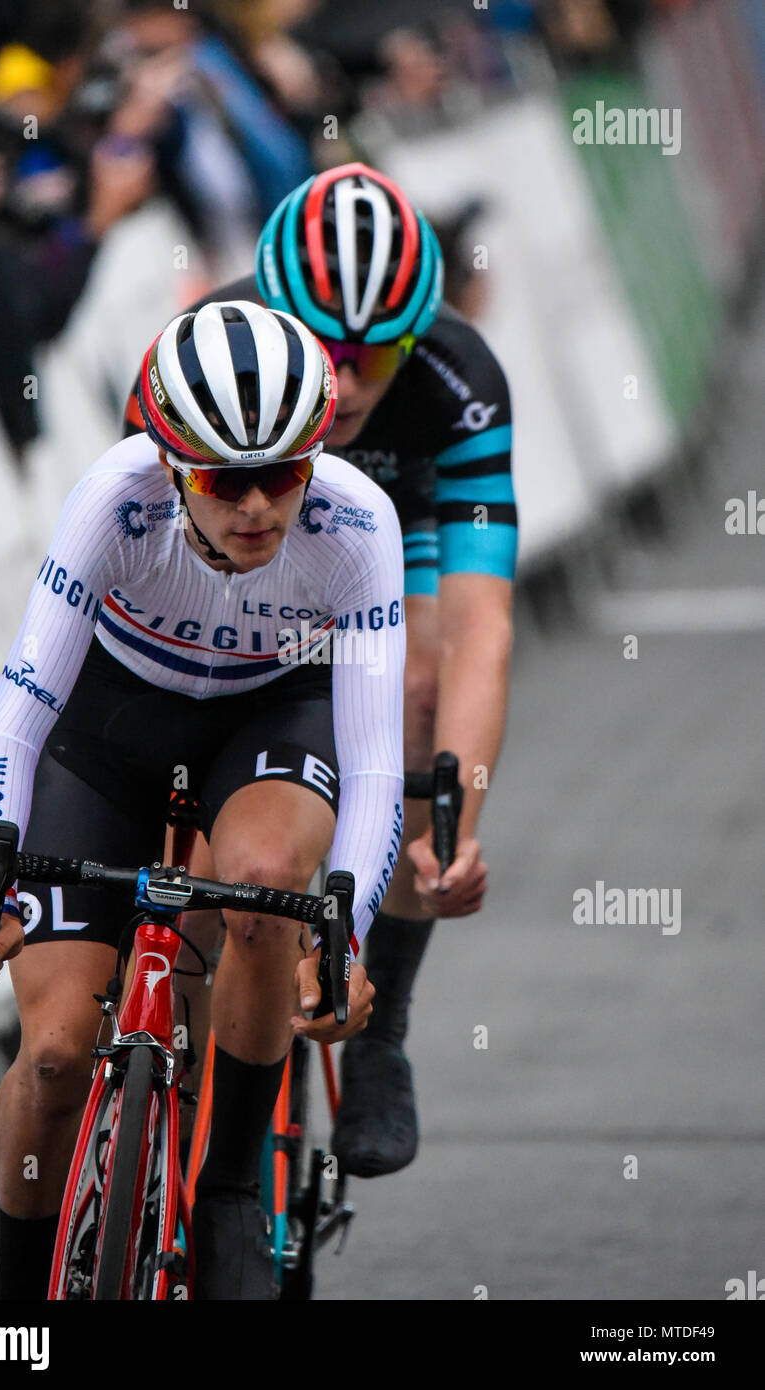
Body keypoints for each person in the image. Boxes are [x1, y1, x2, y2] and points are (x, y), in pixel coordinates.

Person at [0, 300, 406, 1300]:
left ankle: (232, 1183)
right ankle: (17, 1312)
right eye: (227, 480)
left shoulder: (358, 524)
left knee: (267, 884)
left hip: (268, 720)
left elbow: (372, 762)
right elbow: (19, 709)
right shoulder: (114, 500)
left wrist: (349, 932)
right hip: (110, 730)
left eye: (283, 473)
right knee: (58, 1053)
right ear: (173, 467)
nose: (259, 508)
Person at [125, 163, 516, 1178]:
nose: (351, 375)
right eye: (327, 347)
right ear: (272, 314)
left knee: (419, 680)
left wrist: (451, 828)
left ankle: (380, 1026)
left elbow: (484, 627)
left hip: (394, 520)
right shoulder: (208, 353)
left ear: (420, 333)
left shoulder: (455, 381)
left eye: (380, 350)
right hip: (247, 536)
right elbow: (152, 585)